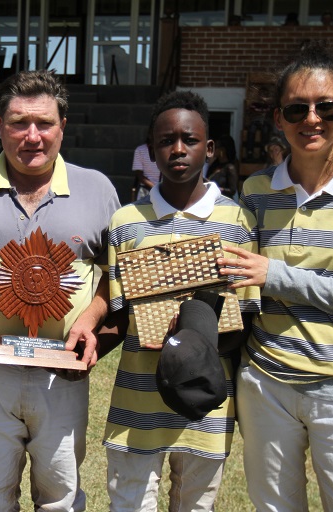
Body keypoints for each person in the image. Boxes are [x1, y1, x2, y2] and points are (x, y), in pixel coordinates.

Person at [218, 40, 333, 511]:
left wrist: (273, 274)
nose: (312, 119)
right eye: (297, 109)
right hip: (266, 384)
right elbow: (240, 283)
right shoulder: (257, 191)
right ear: (279, 118)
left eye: (325, 107)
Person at [0, 69, 120, 511]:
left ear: (63, 127)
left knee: (61, 499)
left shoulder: (98, 189)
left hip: (62, 375)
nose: (32, 136)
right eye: (18, 123)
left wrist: (90, 321)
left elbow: (114, 274)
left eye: (44, 123)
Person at [98, 90, 260, 512]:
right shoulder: (125, 222)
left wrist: (193, 342)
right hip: (137, 400)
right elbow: (118, 315)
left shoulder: (238, 222)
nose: (178, 149)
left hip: (204, 407)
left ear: (209, 148)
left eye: (189, 140)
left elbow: (245, 318)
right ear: (151, 149)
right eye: (166, 140)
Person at [131, 126, 161, 201]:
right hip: (146, 189)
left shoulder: (164, 149)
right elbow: (139, 175)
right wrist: (154, 187)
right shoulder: (140, 150)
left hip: (164, 189)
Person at [207, 134, 239, 199]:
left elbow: (232, 190)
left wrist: (218, 189)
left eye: (215, 147)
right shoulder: (214, 165)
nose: (213, 150)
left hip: (224, 202)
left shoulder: (230, 168)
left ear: (222, 150)